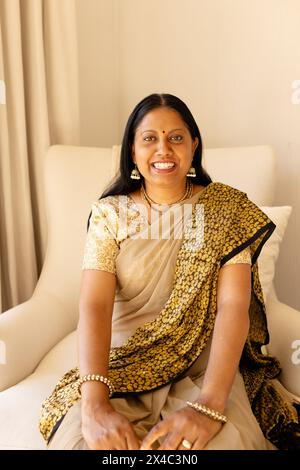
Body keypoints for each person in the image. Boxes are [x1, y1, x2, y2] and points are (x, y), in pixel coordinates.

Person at [40, 93, 299, 450]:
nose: (163, 149)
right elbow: (95, 306)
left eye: (176, 137)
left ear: (193, 146)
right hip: (124, 361)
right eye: (150, 138)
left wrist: (210, 403)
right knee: (86, 444)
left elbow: (233, 307)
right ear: (133, 151)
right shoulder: (110, 214)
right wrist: (95, 403)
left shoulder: (225, 210)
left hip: (205, 367)